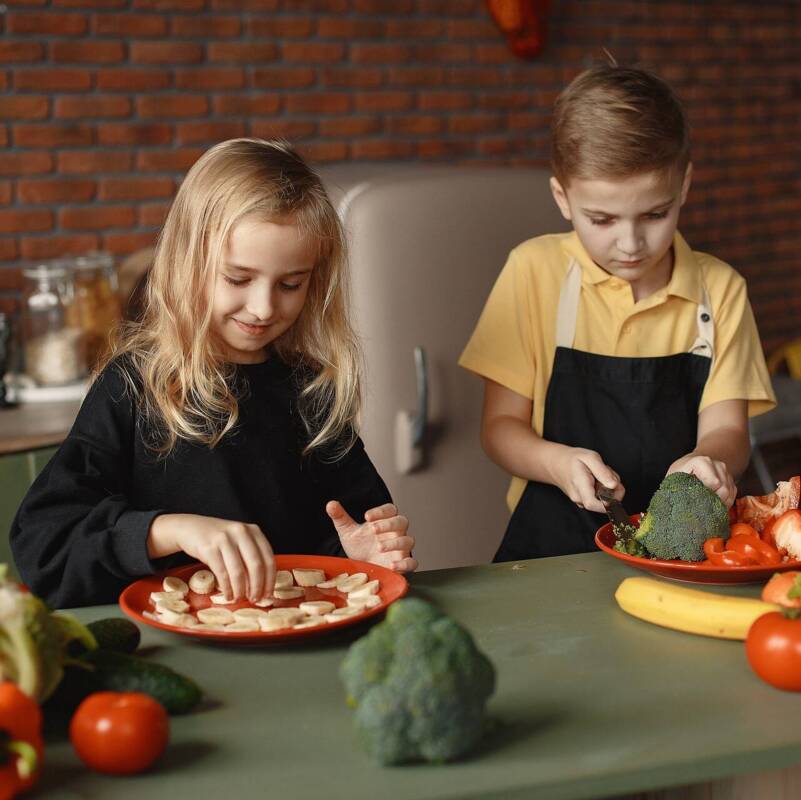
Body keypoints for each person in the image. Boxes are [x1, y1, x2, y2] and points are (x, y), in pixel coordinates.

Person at [11, 138, 416, 607]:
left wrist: (365, 555)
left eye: (290, 284)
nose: (264, 307)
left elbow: (349, 547)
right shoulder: (132, 387)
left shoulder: (313, 394)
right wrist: (166, 529)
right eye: (238, 279)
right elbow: (45, 547)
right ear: (188, 262)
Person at [458, 64, 776, 562]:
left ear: (684, 187)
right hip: (550, 546)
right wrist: (556, 462)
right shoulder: (532, 272)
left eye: (654, 214)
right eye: (602, 219)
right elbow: (499, 428)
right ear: (563, 197)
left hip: (684, 553)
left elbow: (730, 430)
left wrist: (707, 459)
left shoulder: (721, 290)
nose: (630, 244)